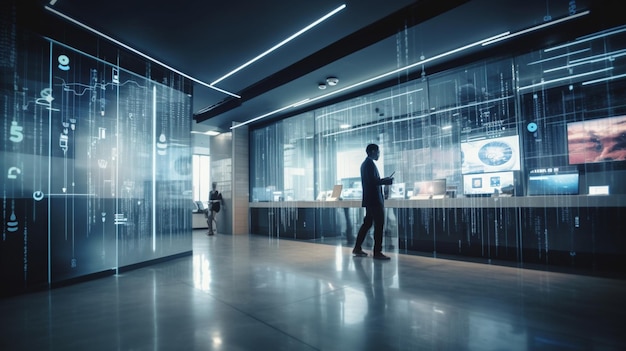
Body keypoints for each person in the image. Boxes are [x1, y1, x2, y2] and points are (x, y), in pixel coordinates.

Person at [352, 144, 394, 260]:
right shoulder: (369, 164)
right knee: (379, 224)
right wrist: (386, 181)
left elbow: (372, 181)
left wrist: (384, 181)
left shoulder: (366, 164)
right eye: (378, 151)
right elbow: (373, 182)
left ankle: (357, 248)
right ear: (372, 151)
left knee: (367, 224)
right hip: (374, 200)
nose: (379, 154)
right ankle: (377, 252)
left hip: (370, 200)